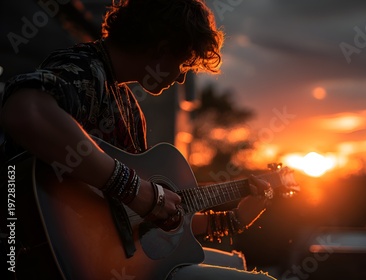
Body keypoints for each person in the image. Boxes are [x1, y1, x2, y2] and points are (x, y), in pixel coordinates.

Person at [1, 0, 276, 279]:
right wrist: (133, 188)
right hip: (33, 254)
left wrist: (230, 221)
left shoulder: (130, 108)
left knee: (235, 266)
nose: (181, 77)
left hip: (111, 260)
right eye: (183, 63)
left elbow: (139, 221)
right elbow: (25, 111)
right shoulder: (85, 69)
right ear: (162, 49)